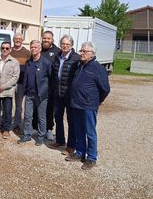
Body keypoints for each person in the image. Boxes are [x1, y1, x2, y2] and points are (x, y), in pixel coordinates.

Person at [65, 41, 110, 170]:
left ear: (92, 53)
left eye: (84, 51)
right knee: (79, 130)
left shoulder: (98, 69)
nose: (82, 53)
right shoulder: (80, 65)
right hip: (76, 104)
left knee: (90, 132)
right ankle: (80, 153)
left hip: (88, 105)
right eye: (81, 51)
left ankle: (91, 157)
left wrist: (98, 100)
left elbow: (105, 89)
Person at [48, 35, 80, 155]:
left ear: (71, 45)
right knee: (57, 117)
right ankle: (60, 140)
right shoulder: (57, 57)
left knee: (71, 120)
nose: (65, 46)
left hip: (70, 95)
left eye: (67, 44)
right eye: (63, 44)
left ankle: (71, 146)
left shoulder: (76, 59)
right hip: (58, 93)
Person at [17, 40, 52, 146]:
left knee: (41, 117)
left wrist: (46, 91)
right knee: (27, 116)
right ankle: (27, 134)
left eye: (35, 47)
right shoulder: (28, 62)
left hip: (41, 95)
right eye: (32, 47)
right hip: (29, 94)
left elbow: (51, 79)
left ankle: (41, 136)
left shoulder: (46, 63)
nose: (33, 49)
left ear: (40, 49)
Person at [40, 30, 61, 141]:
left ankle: (49, 129)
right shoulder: (39, 49)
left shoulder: (58, 52)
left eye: (48, 38)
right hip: (39, 85)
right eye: (44, 38)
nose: (46, 40)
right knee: (37, 107)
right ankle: (36, 127)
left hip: (51, 87)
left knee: (50, 109)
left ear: (52, 40)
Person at [10, 33, 30, 134]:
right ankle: (7, 122)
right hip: (9, 82)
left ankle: (17, 124)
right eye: (16, 38)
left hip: (21, 83)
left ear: (22, 40)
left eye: (19, 39)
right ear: (13, 40)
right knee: (7, 103)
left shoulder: (27, 53)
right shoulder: (9, 51)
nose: (17, 40)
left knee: (18, 105)